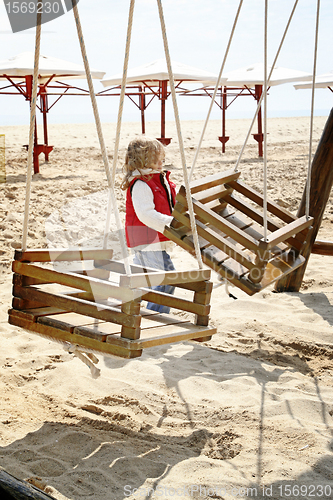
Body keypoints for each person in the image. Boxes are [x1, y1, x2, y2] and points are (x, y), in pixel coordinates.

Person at [121, 136, 176, 313]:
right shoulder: (141, 184)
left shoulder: (156, 180)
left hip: (153, 240)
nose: (162, 162)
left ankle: (147, 311)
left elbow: (167, 204)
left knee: (157, 281)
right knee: (165, 281)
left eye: (163, 159)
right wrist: (172, 223)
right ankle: (156, 318)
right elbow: (145, 214)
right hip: (146, 241)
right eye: (156, 159)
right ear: (143, 160)